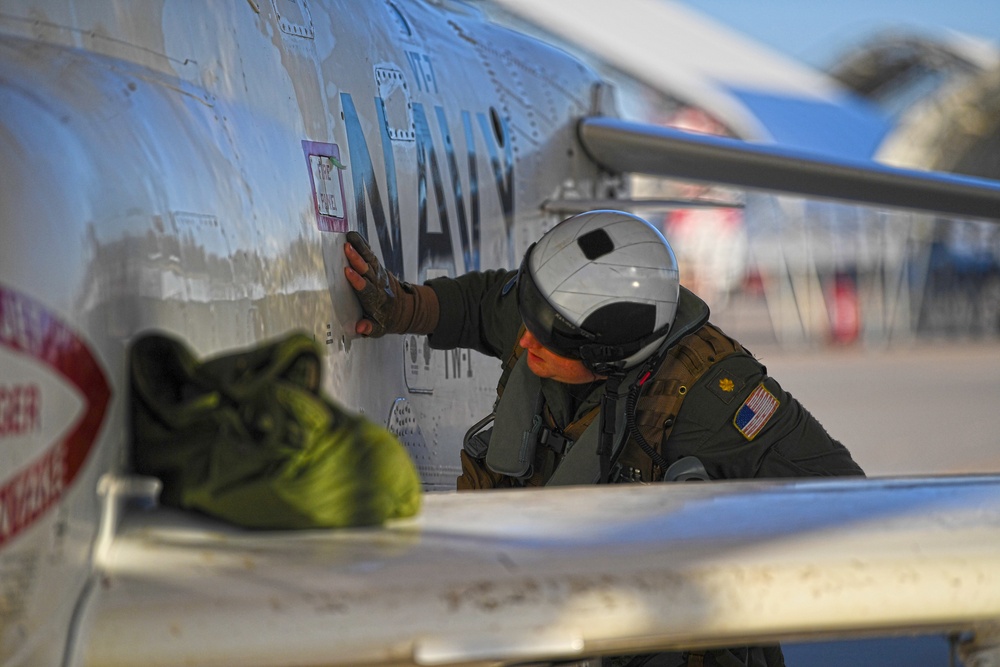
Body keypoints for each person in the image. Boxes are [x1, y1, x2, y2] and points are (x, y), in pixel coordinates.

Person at [344, 210, 864, 667]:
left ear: (608, 357)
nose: (524, 341)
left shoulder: (715, 399)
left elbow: (846, 503)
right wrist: (403, 306)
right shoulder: (556, 312)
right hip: (531, 618)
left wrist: (704, 533)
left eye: (545, 337)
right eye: (528, 318)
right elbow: (483, 304)